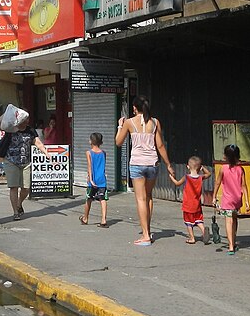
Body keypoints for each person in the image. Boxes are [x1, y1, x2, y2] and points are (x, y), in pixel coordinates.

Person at [116, 95, 172, 246]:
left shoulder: (129, 122)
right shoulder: (155, 122)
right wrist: (168, 164)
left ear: (134, 108)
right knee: (148, 196)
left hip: (137, 164)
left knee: (140, 199)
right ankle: (147, 228)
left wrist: (120, 126)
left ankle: (146, 235)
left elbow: (118, 142)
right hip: (152, 163)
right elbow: (160, 145)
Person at [0, 110, 47, 220]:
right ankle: (15, 212)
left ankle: (19, 203)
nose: (26, 121)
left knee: (26, 188)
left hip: (26, 162)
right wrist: (8, 111)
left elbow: (38, 142)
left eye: (27, 119)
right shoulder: (11, 128)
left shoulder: (30, 130)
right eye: (24, 119)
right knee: (14, 187)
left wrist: (47, 153)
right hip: (11, 161)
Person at [169, 155, 211, 244]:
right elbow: (209, 174)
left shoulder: (186, 177)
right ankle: (204, 231)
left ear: (188, 166)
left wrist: (171, 178)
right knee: (198, 220)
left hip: (188, 205)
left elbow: (177, 183)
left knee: (188, 222)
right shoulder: (200, 177)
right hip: (197, 204)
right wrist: (203, 168)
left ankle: (192, 238)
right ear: (199, 167)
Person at [216, 144, 245, 255]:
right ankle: (234, 239)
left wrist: (214, 196)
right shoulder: (241, 169)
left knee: (229, 221)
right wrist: (246, 201)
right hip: (237, 199)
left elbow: (217, 183)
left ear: (226, 156)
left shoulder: (223, 169)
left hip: (228, 200)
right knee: (234, 219)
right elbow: (244, 186)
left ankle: (231, 246)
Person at [79, 132, 110, 227]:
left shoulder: (89, 153)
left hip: (93, 179)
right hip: (102, 179)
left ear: (91, 141)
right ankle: (103, 220)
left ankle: (85, 218)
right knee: (103, 199)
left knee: (89, 199)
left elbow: (90, 166)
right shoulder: (103, 153)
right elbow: (103, 166)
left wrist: (90, 179)